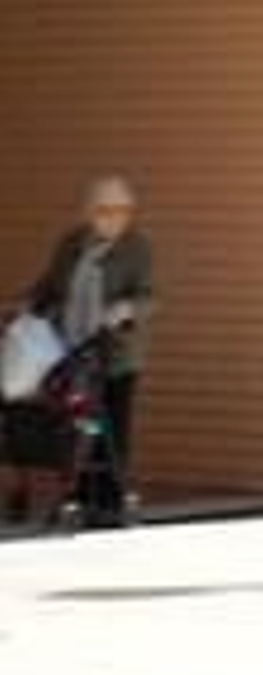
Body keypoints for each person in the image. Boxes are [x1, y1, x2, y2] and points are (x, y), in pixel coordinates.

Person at [4, 175, 153, 525]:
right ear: (90, 212)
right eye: (105, 210)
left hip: (115, 352)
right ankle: (79, 496)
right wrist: (28, 305)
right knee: (76, 426)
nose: (115, 217)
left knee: (113, 428)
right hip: (71, 347)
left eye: (122, 210)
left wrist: (126, 309)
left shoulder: (137, 247)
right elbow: (51, 283)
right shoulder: (73, 243)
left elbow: (147, 295)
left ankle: (111, 502)